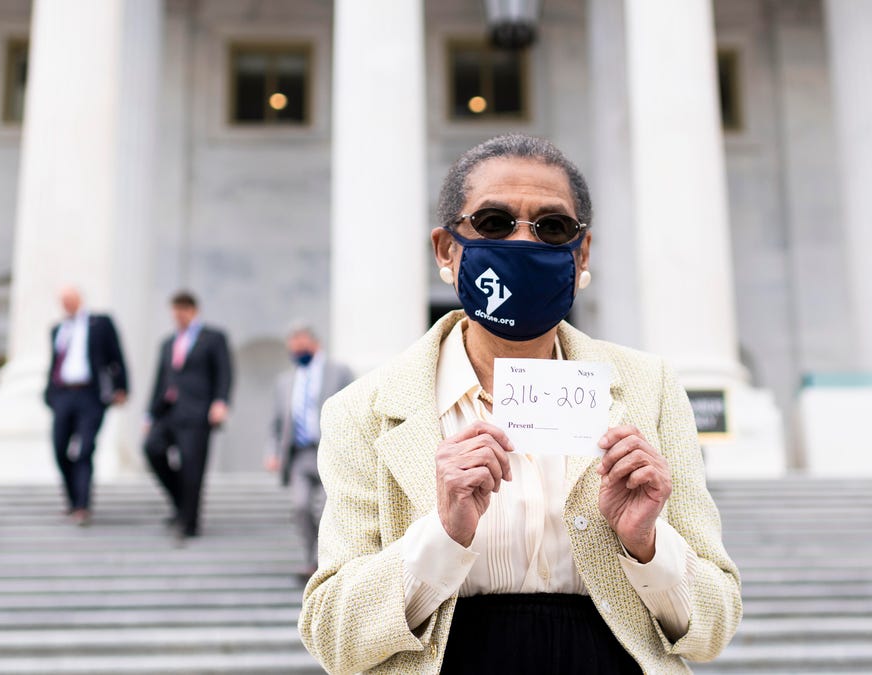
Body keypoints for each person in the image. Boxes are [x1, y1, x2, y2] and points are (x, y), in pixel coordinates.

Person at [299, 135, 741, 674]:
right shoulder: (362, 409)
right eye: (494, 222)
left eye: (552, 227)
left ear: (581, 253)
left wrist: (646, 544)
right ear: (446, 248)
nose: (523, 242)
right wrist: (441, 534)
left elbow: (714, 627)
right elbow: (331, 635)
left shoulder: (649, 387)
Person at [143, 291, 233, 542]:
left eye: (181, 312)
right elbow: (160, 380)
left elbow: (224, 372)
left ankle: (189, 523)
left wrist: (221, 402)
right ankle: (181, 503)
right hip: (168, 411)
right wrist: (149, 415)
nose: (177, 317)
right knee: (152, 449)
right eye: (174, 313)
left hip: (197, 413)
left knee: (193, 468)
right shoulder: (168, 343)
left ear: (192, 310)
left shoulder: (213, 338)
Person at [266, 325, 355, 582]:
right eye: (291, 348)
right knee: (301, 506)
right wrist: (272, 451)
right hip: (300, 455)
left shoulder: (338, 372)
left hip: (332, 450)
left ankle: (329, 561)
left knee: (332, 509)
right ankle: (311, 559)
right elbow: (277, 422)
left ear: (313, 343)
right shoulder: (285, 381)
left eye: (300, 345)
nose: (296, 351)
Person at [43, 286, 128, 526]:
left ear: (79, 299)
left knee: (85, 449)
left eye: (69, 300)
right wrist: (49, 394)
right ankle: (72, 500)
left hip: (90, 395)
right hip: (63, 395)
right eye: (62, 301)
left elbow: (117, 356)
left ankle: (82, 506)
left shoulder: (99, 323)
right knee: (60, 449)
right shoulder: (57, 329)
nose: (66, 305)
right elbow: (54, 363)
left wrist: (122, 387)